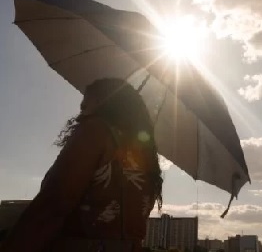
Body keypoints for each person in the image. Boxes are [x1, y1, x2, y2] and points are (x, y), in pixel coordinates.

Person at [0, 78, 163, 252]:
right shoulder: (147, 158)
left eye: (85, 105)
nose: (81, 112)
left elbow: (54, 202)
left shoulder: (95, 131)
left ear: (103, 102)